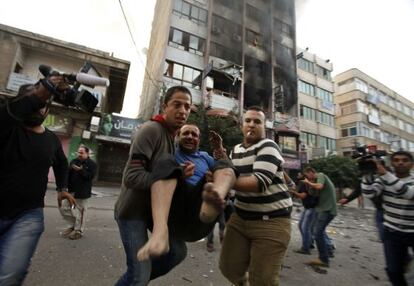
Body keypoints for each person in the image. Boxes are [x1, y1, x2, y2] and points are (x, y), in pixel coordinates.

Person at [114, 87, 236, 285]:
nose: (183, 110)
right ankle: (137, 277)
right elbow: (132, 177)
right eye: (177, 104)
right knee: (139, 274)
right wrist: (175, 174)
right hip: (132, 213)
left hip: (155, 214)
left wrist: (217, 156)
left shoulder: (172, 139)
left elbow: (224, 168)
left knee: (177, 253)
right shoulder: (151, 130)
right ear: (165, 106)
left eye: (187, 106)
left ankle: (136, 278)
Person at [0, 79, 76, 285]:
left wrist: (62, 189)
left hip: (28, 215)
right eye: (34, 101)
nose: (39, 108)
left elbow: (61, 163)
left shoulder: (51, 140)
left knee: (10, 275)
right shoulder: (6, 127)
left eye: (43, 104)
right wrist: (40, 95)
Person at [218, 106, 293, 286]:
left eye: (257, 121)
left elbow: (259, 183)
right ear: (242, 125)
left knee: (263, 281)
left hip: (272, 221)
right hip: (241, 217)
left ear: (264, 127)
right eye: (248, 121)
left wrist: (223, 181)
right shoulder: (235, 150)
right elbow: (231, 178)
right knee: (228, 268)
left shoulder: (268, 146)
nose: (252, 124)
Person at [361, 151, 414, 286]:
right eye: (396, 160)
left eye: (404, 160)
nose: (400, 162)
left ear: (411, 164)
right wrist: (366, 174)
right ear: (392, 163)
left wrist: (385, 174)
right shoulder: (384, 179)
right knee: (393, 271)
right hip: (392, 231)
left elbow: (408, 193)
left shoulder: (392, 177)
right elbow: (369, 193)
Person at [302, 167, 337, 268]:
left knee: (317, 233)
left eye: (307, 175)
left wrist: (309, 183)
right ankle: (327, 251)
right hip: (321, 210)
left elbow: (320, 187)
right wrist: (308, 185)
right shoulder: (313, 182)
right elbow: (313, 194)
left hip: (328, 210)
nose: (306, 177)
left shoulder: (321, 175)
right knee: (315, 230)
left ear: (312, 172)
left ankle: (323, 258)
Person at [59, 145, 97, 240]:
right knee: (64, 208)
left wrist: (80, 170)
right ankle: (73, 225)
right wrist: (64, 188)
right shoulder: (74, 161)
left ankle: (79, 231)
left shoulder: (92, 164)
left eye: (81, 152)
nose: (79, 154)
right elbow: (67, 175)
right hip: (71, 191)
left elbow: (90, 177)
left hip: (83, 192)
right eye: (78, 152)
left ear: (87, 153)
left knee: (81, 211)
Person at [290, 172, 319, 255]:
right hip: (308, 207)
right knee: (302, 226)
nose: (297, 175)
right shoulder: (303, 183)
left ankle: (306, 248)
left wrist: (294, 193)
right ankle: (309, 243)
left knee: (305, 227)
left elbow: (303, 196)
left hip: (311, 208)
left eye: (299, 174)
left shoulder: (304, 183)